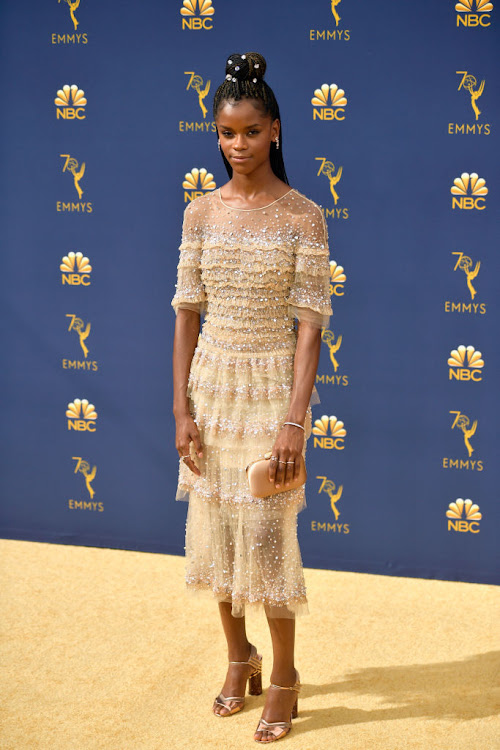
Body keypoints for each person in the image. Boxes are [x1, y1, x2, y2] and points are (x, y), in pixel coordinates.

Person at [172, 52, 333, 743]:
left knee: (267, 541)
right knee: (218, 534)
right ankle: (240, 658)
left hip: (272, 393)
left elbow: (310, 331)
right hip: (210, 388)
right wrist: (181, 410)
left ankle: (288, 680)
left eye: (249, 131)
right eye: (225, 133)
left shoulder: (304, 217)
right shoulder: (200, 213)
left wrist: (293, 420)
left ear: (275, 131)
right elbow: (186, 314)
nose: (237, 145)